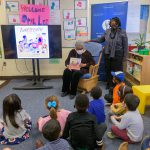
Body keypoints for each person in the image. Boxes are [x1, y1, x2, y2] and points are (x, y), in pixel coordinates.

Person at [87, 17, 128, 89]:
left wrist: (125, 57)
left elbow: (125, 45)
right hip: (107, 54)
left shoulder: (122, 32)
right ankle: (109, 83)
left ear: (118, 24)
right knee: (108, 69)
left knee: (117, 70)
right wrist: (91, 40)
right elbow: (101, 39)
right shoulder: (107, 31)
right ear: (110, 24)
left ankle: (116, 85)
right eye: (112, 23)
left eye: (115, 23)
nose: (114, 25)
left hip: (118, 55)